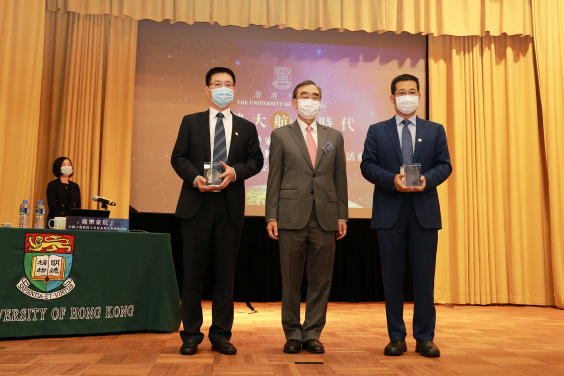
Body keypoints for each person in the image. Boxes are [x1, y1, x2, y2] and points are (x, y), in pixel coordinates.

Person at [171, 67, 263, 356]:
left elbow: (256, 161)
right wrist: (194, 177)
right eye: (217, 84)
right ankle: (190, 335)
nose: (223, 89)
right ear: (207, 89)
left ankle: (221, 335)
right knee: (192, 276)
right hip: (196, 207)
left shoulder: (246, 127)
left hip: (229, 208)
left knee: (226, 277)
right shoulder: (191, 121)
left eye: (229, 85)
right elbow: (178, 157)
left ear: (235, 90)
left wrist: (235, 173)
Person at [360, 74, 452, 357]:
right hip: (390, 212)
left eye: (412, 91)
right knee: (393, 278)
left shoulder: (435, 130)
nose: (407, 96)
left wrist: (428, 179)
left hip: (424, 212)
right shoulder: (377, 130)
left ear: (419, 96)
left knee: (424, 278)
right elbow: (367, 166)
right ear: (392, 98)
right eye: (402, 92)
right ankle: (396, 337)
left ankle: (425, 337)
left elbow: (445, 165)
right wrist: (392, 180)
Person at [265, 80, 348, 354]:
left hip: (325, 217)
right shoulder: (280, 135)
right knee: (291, 279)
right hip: (290, 216)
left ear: (320, 101)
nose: (310, 100)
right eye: (305, 95)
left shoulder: (334, 136)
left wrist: (342, 216)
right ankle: (292, 333)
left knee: (321, 279)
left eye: (315, 96)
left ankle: (312, 332)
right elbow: (274, 179)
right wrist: (271, 216)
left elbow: (340, 179)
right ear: (294, 102)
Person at [46, 157, 81, 223]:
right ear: (58, 167)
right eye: (64, 165)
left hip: (72, 222)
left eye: (69, 164)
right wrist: (62, 220)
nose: (67, 167)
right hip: (56, 222)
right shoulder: (52, 185)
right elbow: (52, 206)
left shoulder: (75, 186)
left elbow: (78, 206)